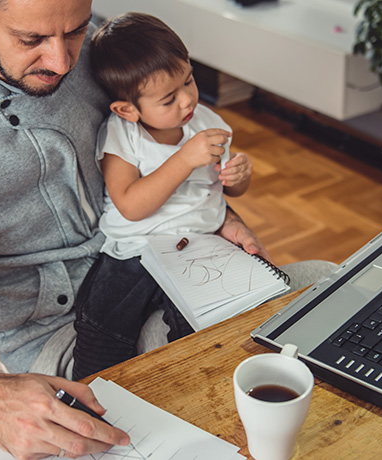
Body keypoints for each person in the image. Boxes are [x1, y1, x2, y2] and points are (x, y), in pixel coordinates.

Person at [0, 1, 335, 459]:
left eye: (76, 30)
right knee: (285, 349)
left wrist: (223, 214)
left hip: (168, 259)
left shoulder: (95, 53)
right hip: (71, 340)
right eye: (31, 39)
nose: (63, 63)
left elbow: (159, 145)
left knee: (329, 286)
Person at [71, 13, 254, 380]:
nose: (188, 101)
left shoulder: (205, 123)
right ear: (128, 109)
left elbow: (225, 188)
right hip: (134, 251)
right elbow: (130, 204)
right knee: (101, 328)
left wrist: (240, 176)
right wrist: (185, 159)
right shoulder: (124, 135)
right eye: (169, 99)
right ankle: (94, 404)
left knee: (204, 326)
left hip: (200, 245)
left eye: (189, 80)